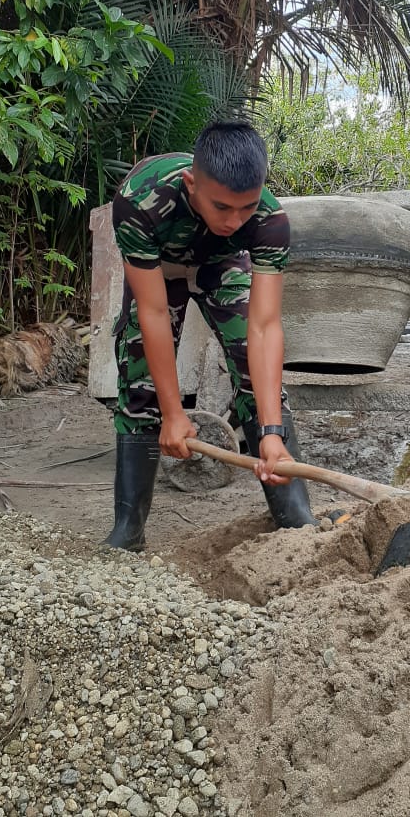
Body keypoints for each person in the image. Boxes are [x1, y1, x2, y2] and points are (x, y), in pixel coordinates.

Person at [103, 118, 317, 551]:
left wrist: (271, 431)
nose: (236, 220)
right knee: (139, 377)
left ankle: (296, 519)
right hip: (157, 269)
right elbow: (154, 310)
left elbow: (263, 325)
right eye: (222, 207)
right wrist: (173, 414)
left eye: (247, 207)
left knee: (254, 375)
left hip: (220, 265)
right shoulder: (139, 200)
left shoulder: (270, 221)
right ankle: (128, 530)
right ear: (191, 184)